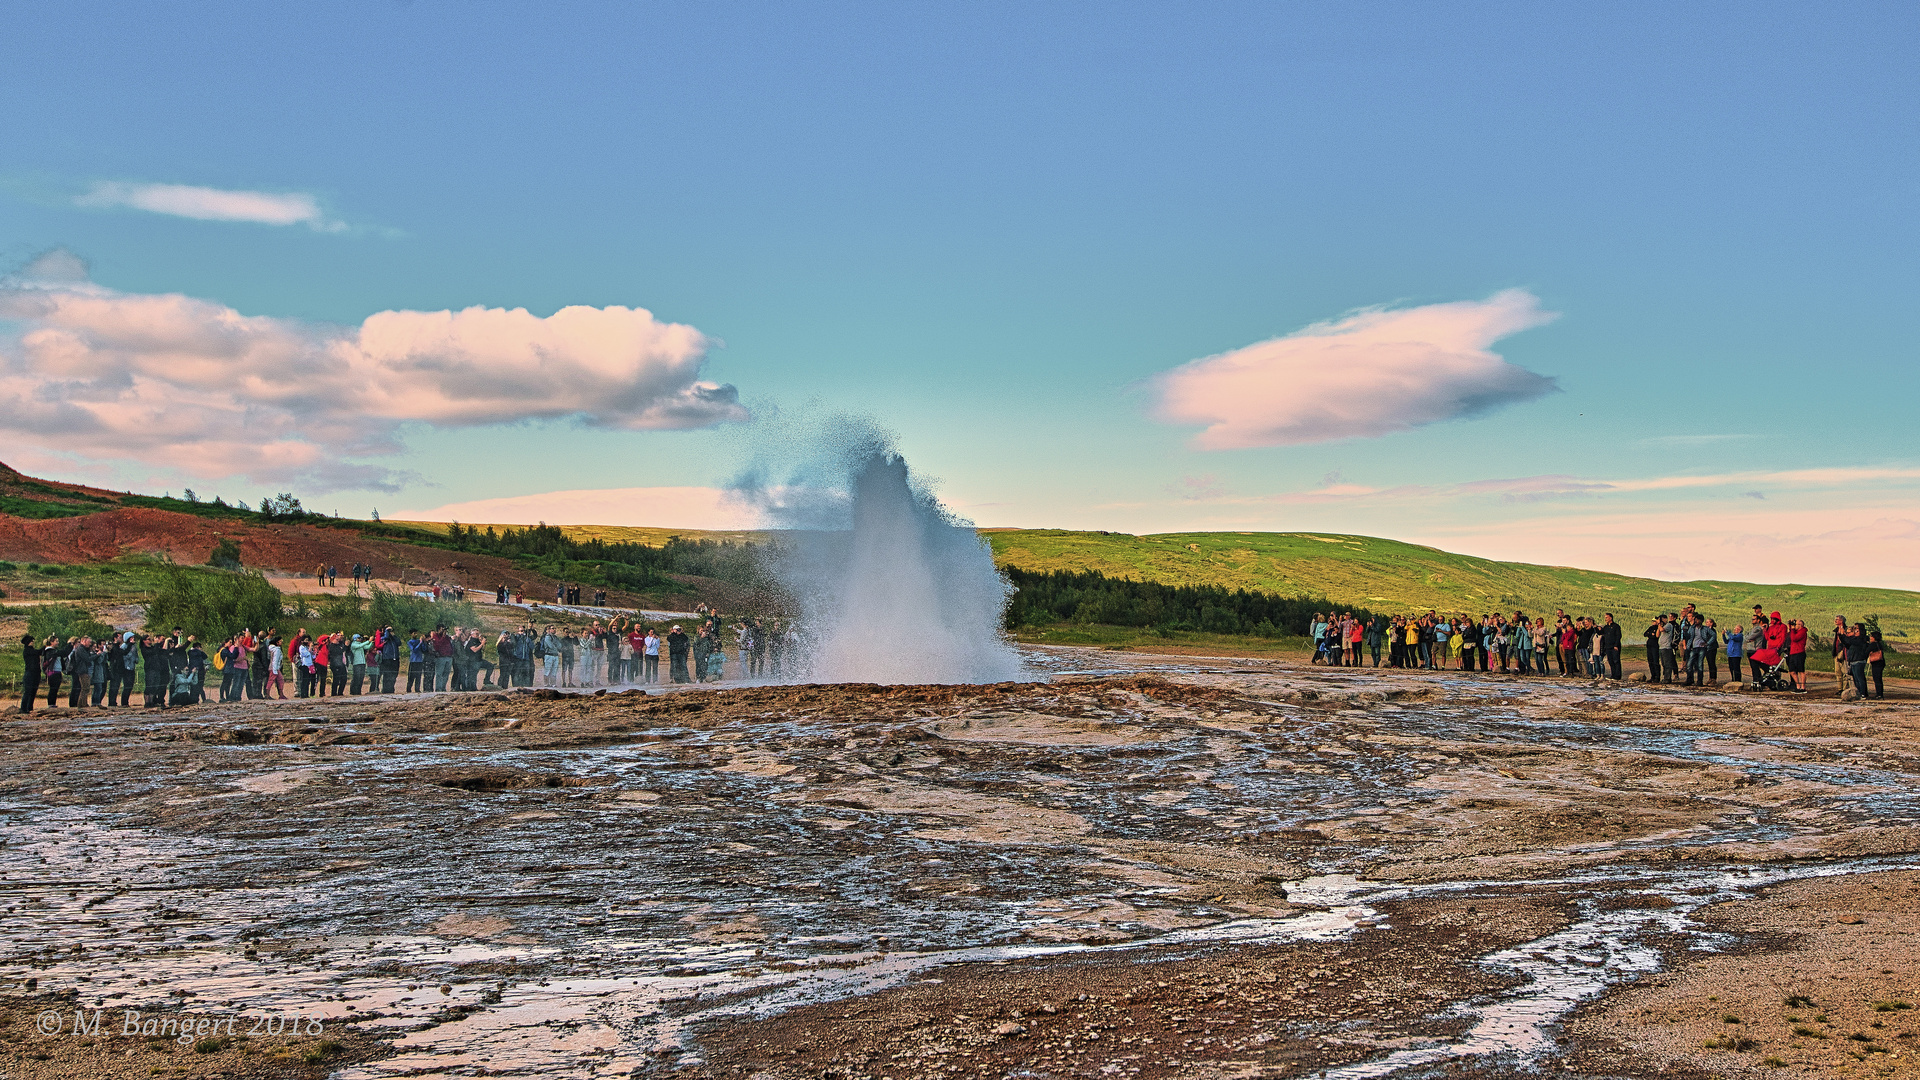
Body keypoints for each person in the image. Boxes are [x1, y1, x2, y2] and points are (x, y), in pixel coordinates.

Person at [1844, 623, 1872, 699]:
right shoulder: (1855, 639)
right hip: (1853, 660)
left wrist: (1846, 635)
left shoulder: (1861, 639)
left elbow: (1850, 641)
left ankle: (1863, 693)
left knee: (1860, 678)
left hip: (1859, 660)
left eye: (1856, 628)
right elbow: (1847, 642)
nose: (1855, 630)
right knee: (1856, 679)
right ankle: (1859, 692)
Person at [18, 635, 42, 713]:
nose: (33, 642)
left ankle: (29, 707)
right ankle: (24, 709)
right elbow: (37, 652)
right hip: (29, 673)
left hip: (35, 673)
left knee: (33, 691)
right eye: (32, 641)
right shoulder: (27, 651)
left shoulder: (31, 650)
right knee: (28, 691)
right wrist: (45, 646)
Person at [1787, 618, 1809, 693]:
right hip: (1793, 652)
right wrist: (1790, 624)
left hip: (1799, 652)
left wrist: (1792, 630)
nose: (1795, 626)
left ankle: (1803, 687)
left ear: (1800, 625)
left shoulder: (1802, 631)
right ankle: (1797, 685)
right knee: (1792, 670)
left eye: (1796, 624)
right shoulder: (1795, 631)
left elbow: (1794, 638)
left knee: (1801, 670)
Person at [1866, 625, 1886, 699]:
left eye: (1871, 636)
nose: (1870, 638)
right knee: (1879, 678)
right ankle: (1880, 693)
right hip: (1881, 662)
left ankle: (1879, 694)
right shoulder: (1879, 644)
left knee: (1876, 678)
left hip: (1876, 663)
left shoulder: (1873, 644)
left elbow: (1866, 651)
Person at [1725, 621, 1744, 687]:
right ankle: (1733, 679)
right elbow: (1726, 641)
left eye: (1737, 629)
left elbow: (1733, 638)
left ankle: (1738, 680)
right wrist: (1723, 635)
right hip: (1730, 654)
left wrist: (1727, 632)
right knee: (1731, 667)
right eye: (1735, 628)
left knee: (1736, 667)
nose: (1735, 630)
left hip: (1736, 654)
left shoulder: (1740, 636)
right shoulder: (1732, 636)